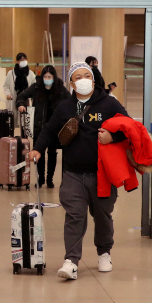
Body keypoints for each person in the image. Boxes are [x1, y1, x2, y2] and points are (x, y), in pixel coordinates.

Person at [28, 62, 129, 280]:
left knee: (102, 216)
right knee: (75, 216)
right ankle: (71, 260)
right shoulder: (65, 107)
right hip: (73, 173)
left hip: (103, 174)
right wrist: (37, 148)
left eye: (87, 76)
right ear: (71, 83)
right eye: (78, 77)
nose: (83, 80)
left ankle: (104, 253)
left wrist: (113, 137)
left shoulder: (109, 104)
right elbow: (49, 129)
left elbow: (129, 126)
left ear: (93, 80)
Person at [16, 65, 70, 188]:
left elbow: (70, 101)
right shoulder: (36, 87)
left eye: (49, 77)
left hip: (55, 127)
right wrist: (20, 104)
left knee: (52, 153)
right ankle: (40, 179)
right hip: (39, 127)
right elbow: (21, 96)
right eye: (45, 76)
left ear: (54, 77)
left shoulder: (60, 89)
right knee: (38, 152)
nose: (47, 79)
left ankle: (49, 179)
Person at [4, 52, 36, 129]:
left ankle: (24, 138)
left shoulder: (30, 74)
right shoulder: (11, 73)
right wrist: (8, 94)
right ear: (17, 61)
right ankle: (12, 138)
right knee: (12, 122)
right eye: (21, 60)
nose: (23, 61)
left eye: (25, 59)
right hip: (14, 99)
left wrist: (32, 95)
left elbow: (34, 86)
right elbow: (6, 86)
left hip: (26, 100)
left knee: (25, 123)